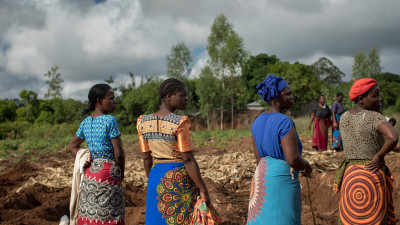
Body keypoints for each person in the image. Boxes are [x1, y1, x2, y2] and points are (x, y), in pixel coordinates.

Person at [137, 78, 210, 225]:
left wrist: (153, 179)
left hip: (155, 177)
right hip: (178, 179)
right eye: (182, 95)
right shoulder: (180, 122)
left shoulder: (142, 122)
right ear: (169, 96)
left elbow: (146, 158)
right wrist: (203, 189)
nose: (186, 99)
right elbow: (188, 160)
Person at [247, 74, 312, 225]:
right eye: (287, 94)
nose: (292, 97)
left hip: (261, 178)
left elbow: (258, 157)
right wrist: (306, 165)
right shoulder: (285, 122)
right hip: (281, 179)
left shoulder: (257, 122)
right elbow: (293, 159)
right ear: (276, 99)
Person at [333, 78, 398, 225]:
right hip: (371, 174)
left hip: (350, 176)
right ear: (361, 99)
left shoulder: (344, 117)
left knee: (351, 218)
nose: (379, 98)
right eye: (375, 96)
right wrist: (379, 156)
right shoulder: (374, 116)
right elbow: (393, 138)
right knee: (373, 219)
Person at [68, 84, 125, 225]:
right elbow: (119, 153)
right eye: (111, 99)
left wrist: (87, 158)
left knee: (91, 213)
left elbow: (72, 146)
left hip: (90, 174)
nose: (114, 102)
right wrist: (121, 172)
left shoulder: (86, 122)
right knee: (110, 215)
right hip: (108, 173)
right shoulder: (110, 120)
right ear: (99, 101)